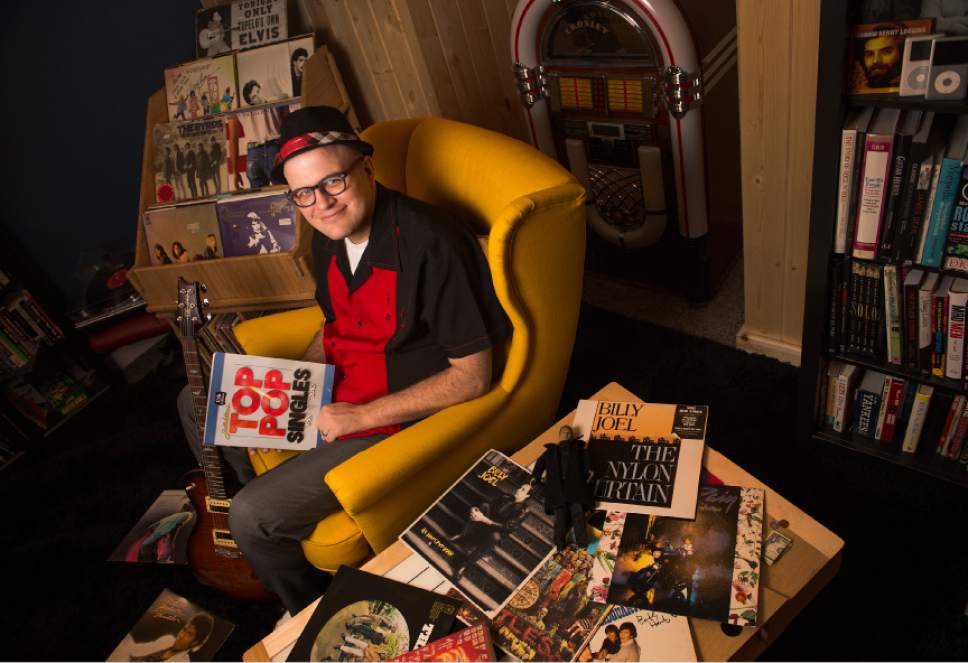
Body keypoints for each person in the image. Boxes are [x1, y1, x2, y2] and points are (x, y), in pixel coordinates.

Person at [176, 105, 509, 616]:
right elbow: (333, 324)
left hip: (389, 419)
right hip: (336, 393)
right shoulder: (328, 237)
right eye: (303, 193)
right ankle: (276, 536)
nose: (321, 204)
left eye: (333, 181)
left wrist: (360, 416)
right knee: (197, 403)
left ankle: (308, 609)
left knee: (250, 516)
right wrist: (296, 382)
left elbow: (473, 377)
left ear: (367, 168)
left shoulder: (432, 244)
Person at [225, 102, 297, 191]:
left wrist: (235, 172)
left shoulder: (236, 101)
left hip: (253, 153)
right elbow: (287, 123)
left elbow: (233, 138)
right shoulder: (274, 93)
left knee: (257, 198)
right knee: (283, 194)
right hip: (275, 148)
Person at [116, 613, 215, 662]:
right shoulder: (168, 639)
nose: (181, 635)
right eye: (184, 629)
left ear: (195, 642)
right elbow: (135, 650)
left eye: (189, 634)